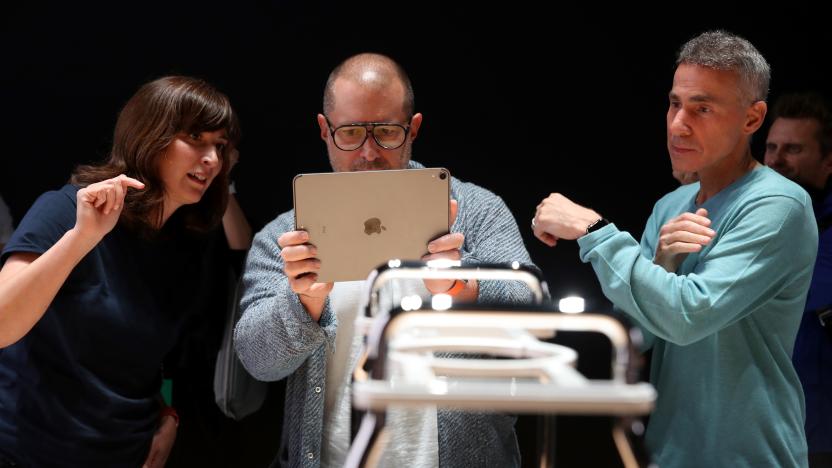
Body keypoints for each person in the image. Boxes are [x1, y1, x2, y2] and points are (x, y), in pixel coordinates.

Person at [234, 53, 536, 467]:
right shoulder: (287, 236)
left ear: (413, 129)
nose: (368, 153)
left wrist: (462, 288)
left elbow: (535, 320)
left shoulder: (476, 210)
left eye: (386, 132)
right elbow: (256, 361)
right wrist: (302, 304)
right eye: (351, 132)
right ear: (325, 131)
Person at [531, 30, 815, 467]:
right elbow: (636, 338)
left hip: (749, 455)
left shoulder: (778, 204)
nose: (678, 124)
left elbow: (688, 316)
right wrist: (661, 266)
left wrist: (594, 229)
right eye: (674, 104)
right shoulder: (671, 206)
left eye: (702, 108)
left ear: (752, 119)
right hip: (667, 453)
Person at [0, 75, 240, 468]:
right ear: (151, 136)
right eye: (195, 137)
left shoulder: (185, 244)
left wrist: (167, 415)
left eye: (220, 145)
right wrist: (81, 238)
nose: (212, 158)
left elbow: (134, 362)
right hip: (30, 452)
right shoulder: (67, 210)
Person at [764, 92, 832, 468]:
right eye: (771, 147)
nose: (775, 160)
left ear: (828, 161)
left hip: (819, 432)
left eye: (792, 149)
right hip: (768, 429)